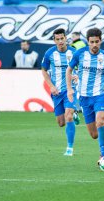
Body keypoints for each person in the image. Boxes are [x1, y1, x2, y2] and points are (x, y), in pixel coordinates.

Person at [66, 27, 104, 162]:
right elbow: (69, 70)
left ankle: (103, 155)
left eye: (97, 42)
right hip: (84, 97)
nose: (94, 45)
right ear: (87, 41)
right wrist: (70, 89)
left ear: (101, 41)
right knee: (94, 135)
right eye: (91, 42)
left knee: (99, 121)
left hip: (100, 95)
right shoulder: (79, 54)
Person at [41, 28, 80, 156]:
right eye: (57, 39)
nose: (60, 41)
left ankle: (70, 148)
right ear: (54, 40)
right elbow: (44, 70)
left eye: (62, 38)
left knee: (67, 115)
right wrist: (51, 86)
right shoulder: (49, 53)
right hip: (57, 92)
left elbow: (83, 68)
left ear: (65, 38)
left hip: (71, 90)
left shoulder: (74, 52)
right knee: (61, 123)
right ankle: (74, 116)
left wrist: (77, 75)